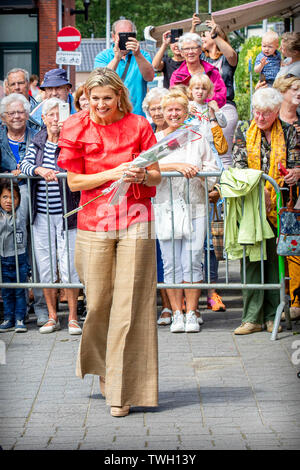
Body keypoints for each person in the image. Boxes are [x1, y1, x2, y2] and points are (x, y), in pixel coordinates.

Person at [57, 68, 161, 417]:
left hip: (138, 219)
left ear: (119, 96)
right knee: (100, 301)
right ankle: (102, 367)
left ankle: (121, 388)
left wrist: (141, 173)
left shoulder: (139, 125)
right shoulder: (76, 126)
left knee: (131, 304)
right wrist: (114, 172)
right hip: (93, 221)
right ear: (85, 96)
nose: (99, 105)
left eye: (106, 98)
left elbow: (156, 174)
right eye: (93, 98)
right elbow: (74, 182)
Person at [231, 87, 300, 335]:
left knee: (274, 260)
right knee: (252, 259)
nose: (260, 118)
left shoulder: (290, 131)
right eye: (257, 112)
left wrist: (296, 172)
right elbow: (239, 165)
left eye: (266, 114)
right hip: (252, 203)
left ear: (276, 112)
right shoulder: (243, 129)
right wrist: (260, 187)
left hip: (281, 205)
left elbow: (295, 163)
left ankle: (273, 316)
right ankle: (251, 317)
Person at [154, 89, 219, 333]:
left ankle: (191, 312)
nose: (173, 113)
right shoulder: (156, 138)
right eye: (169, 109)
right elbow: (148, 166)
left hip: (194, 205)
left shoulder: (197, 136)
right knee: (171, 263)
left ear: (185, 112)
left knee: (192, 259)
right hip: (166, 206)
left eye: (177, 109)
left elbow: (212, 166)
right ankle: (177, 313)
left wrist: (201, 175)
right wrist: (176, 166)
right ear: (163, 112)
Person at [20, 97, 81, 335]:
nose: (56, 119)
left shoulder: (71, 142)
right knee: (45, 266)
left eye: (59, 114)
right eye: (51, 115)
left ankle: (74, 317)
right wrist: (38, 169)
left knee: (70, 266)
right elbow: (23, 164)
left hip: (68, 215)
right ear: (43, 119)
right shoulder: (36, 142)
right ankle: (52, 316)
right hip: (42, 216)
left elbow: (78, 166)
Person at [187, 73, 227, 313]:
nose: (199, 92)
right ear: (190, 90)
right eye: (196, 88)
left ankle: (213, 292)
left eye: (204, 88)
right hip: (192, 175)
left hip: (211, 172)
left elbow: (222, 144)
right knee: (189, 239)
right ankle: (188, 295)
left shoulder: (212, 111)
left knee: (211, 242)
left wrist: (212, 114)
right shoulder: (186, 111)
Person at [191, 14, 238, 169]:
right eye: (201, 35)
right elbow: (188, 50)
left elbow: (231, 55)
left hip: (224, 106)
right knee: (202, 152)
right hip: (203, 109)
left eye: (205, 35)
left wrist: (215, 34)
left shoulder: (225, 59)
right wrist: (193, 28)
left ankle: (227, 191)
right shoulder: (200, 61)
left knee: (223, 151)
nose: (203, 37)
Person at [273, 74, 300, 321]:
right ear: (281, 92)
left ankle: (296, 299)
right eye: (294, 89)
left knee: (294, 244)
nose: (298, 93)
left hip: (296, 192)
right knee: (284, 246)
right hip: (275, 193)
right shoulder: (272, 121)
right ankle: (285, 300)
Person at [94, 18, 154, 117]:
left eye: (129, 35)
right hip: (110, 116)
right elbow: (101, 81)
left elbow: (150, 77)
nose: (125, 39)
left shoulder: (143, 56)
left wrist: (138, 54)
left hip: (136, 115)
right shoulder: (103, 57)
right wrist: (117, 58)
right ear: (113, 37)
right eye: (121, 35)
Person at [0, 179, 29, 333]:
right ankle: (8, 318)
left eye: (13, 197)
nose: (9, 201)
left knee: (19, 290)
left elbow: (24, 193)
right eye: (5, 197)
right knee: (6, 291)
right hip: (2, 259)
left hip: (20, 258)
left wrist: (21, 178)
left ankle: (20, 318)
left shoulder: (21, 213)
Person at [169, 32, 227, 110]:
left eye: (194, 48)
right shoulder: (176, 76)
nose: (190, 52)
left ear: (200, 50)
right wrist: (188, 106)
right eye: (186, 49)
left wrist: (202, 104)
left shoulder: (212, 71)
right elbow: (174, 98)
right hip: (186, 116)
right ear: (182, 53)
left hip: (210, 112)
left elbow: (221, 96)